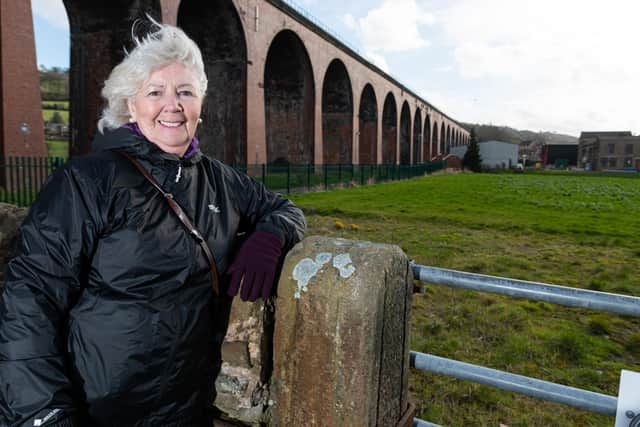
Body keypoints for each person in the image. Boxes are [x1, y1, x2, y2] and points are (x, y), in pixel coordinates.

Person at [0, 20, 305, 427]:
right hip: (92, 412)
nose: (172, 105)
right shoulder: (86, 182)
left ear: (200, 105)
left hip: (184, 411)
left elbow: (284, 208)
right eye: (156, 92)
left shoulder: (220, 181)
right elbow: (30, 298)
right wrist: (42, 413)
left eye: (185, 92)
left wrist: (270, 237)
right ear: (131, 105)